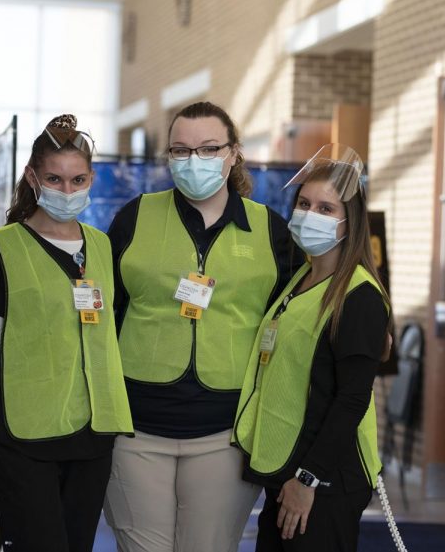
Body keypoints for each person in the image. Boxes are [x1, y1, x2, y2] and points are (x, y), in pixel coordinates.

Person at [103, 101, 303, 552]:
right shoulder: (134, 218)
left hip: (226, 434)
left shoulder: (270, 230)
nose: (194, 160)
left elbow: (293, 326)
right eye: (181, 150)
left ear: (234, 153)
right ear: (168, 156)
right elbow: (105, 318)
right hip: (135, 431)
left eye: (209, 148)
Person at [0, 115, 133, 552]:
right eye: (55, 179)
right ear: (32, 177)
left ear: (91, 178)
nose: (67, 191)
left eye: (78, 180)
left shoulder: (101, 245)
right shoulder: (1, 246)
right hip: (25, 438)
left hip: (93, 436)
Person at [232, 144, 391, 551]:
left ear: (349, 222)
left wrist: (308, 479)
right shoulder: (300, 277)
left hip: (324, 479)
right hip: (286, 468)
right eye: (304, 204)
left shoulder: (359, 296)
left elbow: (352, 398)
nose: (309, 215)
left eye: (326, 209)